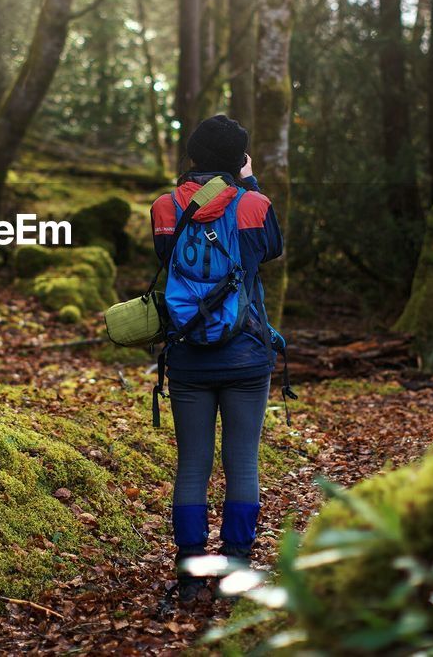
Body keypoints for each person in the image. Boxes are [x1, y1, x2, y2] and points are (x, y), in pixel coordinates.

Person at [149, 114, 284, 602]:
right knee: (242, 461)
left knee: (192, 465)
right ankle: (236, 572)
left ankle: (188, 577)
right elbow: (271, 250)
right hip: (246, 354)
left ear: (192, 155)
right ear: (237, 158)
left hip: (187, 355)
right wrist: (248, 181)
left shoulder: (165, 207)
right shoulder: (255, 204)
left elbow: (168, 262)